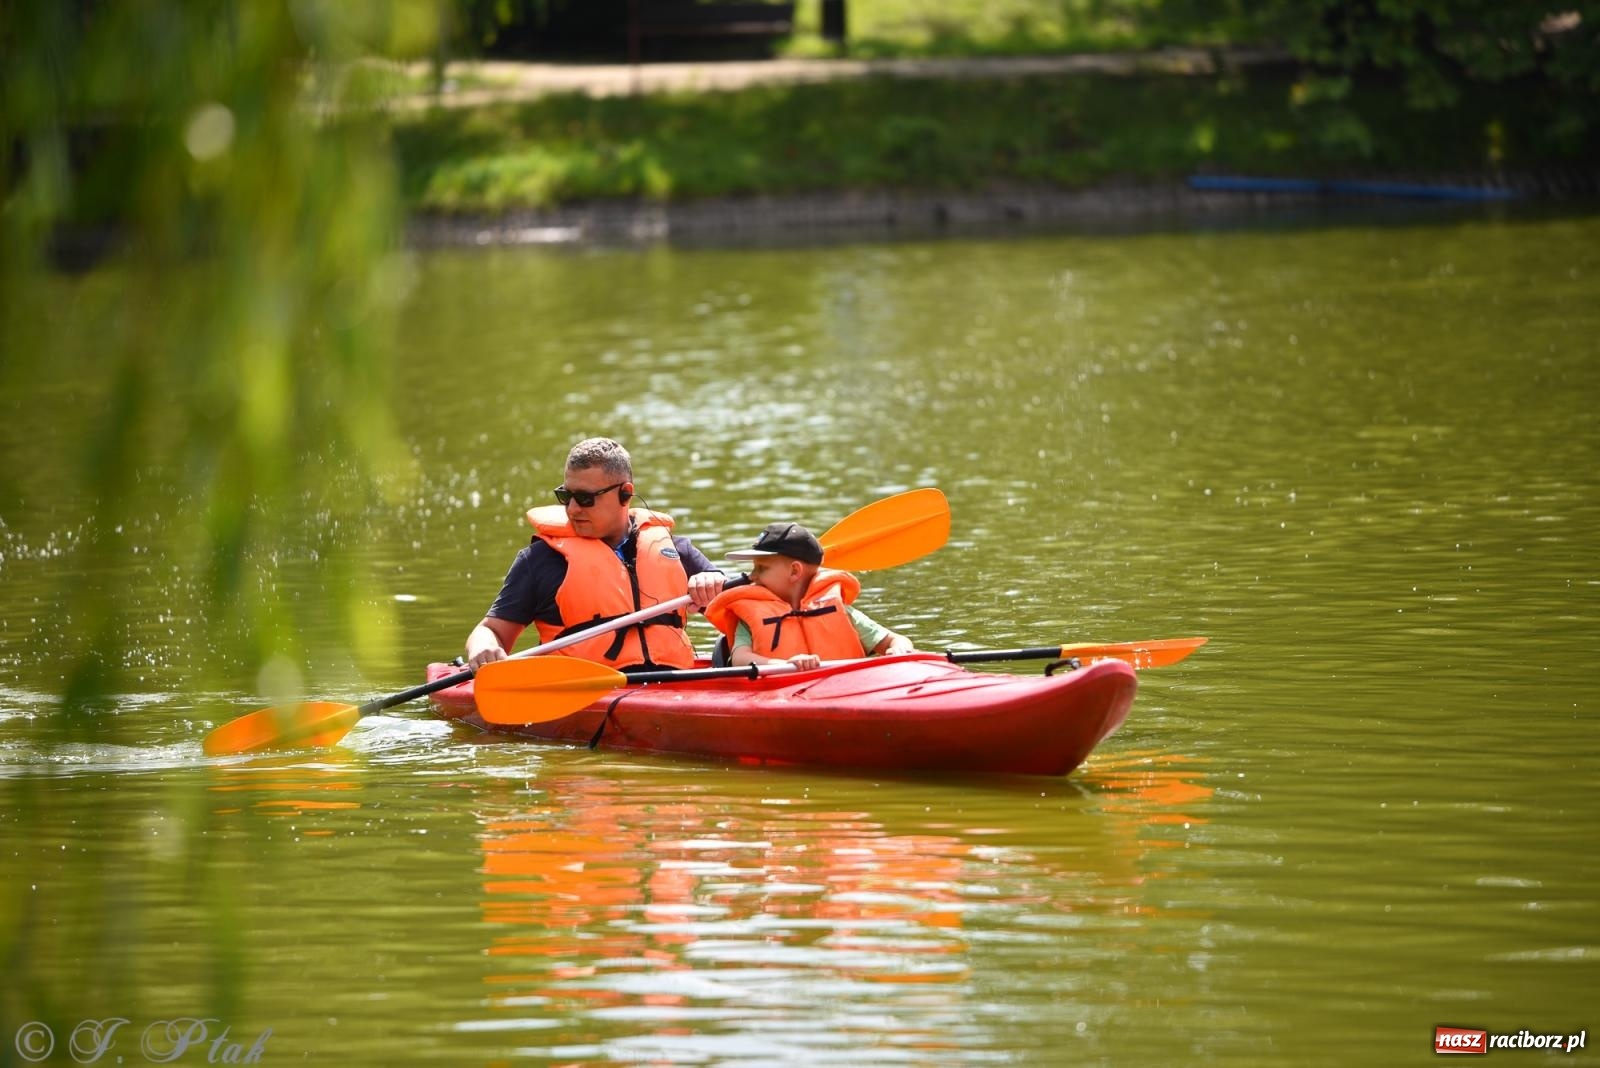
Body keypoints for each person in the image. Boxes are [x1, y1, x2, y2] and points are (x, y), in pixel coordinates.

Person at [465, 438, 726, 672]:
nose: (573, 509)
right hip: (582, 691)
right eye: (566, 496)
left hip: (672, 688)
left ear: (625, 493)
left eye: (585, 498)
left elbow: (747, 615)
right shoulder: (540, 560)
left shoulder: (675, 550)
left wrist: (712, 581)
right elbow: (491, 630)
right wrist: (483, 647)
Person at [703, 521, 915, 671]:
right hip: (776, 692)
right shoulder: (748, 617)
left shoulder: (839, 610)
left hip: (844, 690)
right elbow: (740, 659)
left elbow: (894, 640)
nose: (752, 576)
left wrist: (899, 649)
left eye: (762, 568)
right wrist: (785, 665)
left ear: (795, 571)